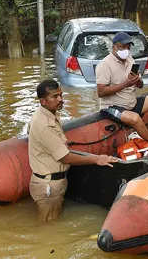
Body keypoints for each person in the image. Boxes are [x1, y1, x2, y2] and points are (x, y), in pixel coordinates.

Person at [28, 79, 119, 222]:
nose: (60, 99)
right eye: (55, 96)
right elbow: (65, 157)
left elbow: (43, 140)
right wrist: (97, 159)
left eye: (61, 95)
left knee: (52, 222)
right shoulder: (44, 125)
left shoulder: (47, 114)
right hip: (48, 186)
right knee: (48, 226)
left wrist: (58, 142)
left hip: (52, 182)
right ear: (43, 101)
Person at [96, 32, 148, 149]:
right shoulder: (105, 65)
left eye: (128, 47)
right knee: (135, 118)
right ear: (114, 47)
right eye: (122, 47)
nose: (126, 50)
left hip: (131, 102)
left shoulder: (130, 59)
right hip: (112, 107)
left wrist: (137, 81)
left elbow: (140, 86)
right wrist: (126, 83)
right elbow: (101, 92)